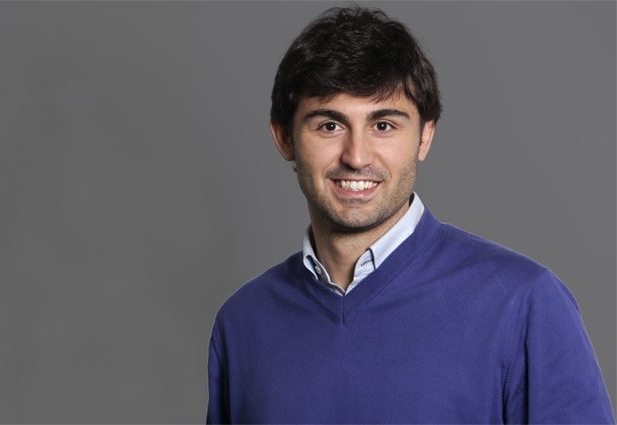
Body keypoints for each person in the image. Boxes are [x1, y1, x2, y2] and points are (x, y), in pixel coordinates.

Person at [206, 5, 615, 424]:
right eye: (330, 125)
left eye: (383, 125)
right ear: (284, 138)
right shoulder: (242, 323)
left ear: (425, 136)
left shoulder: (524, 304)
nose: (357, 156)